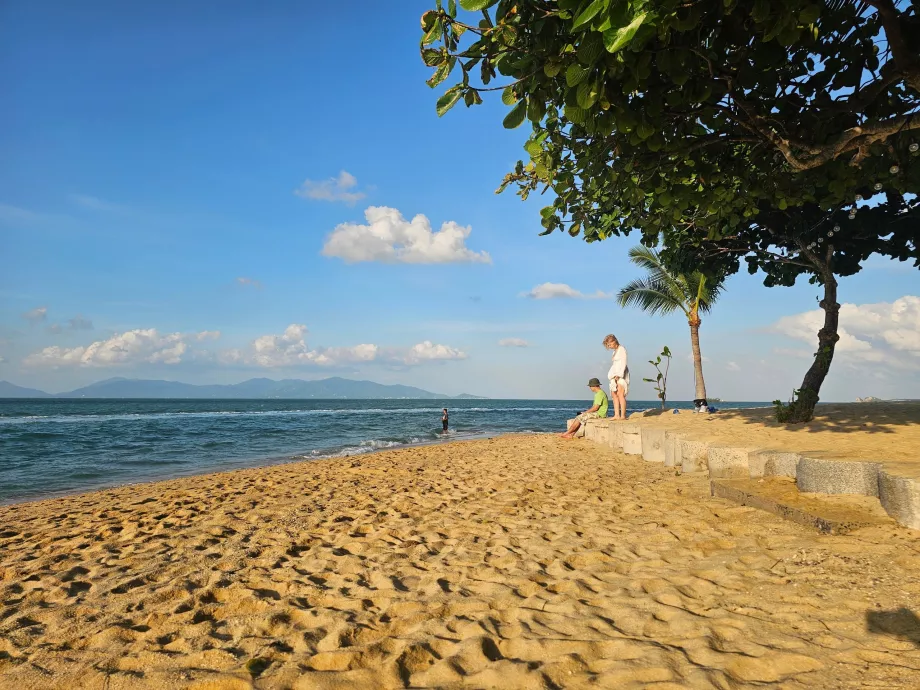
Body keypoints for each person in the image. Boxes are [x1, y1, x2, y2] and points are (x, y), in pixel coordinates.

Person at [604, 334, 629, 420]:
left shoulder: (622, 349)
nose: (609, 346)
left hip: (620, 374)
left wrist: (619, 374)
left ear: (614, 341)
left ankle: (622, 416)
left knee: (620, 394)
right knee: (614, 394)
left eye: (609, 344)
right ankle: (616, 415)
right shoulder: (615, 351)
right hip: (614, 374)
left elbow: (623, 362)